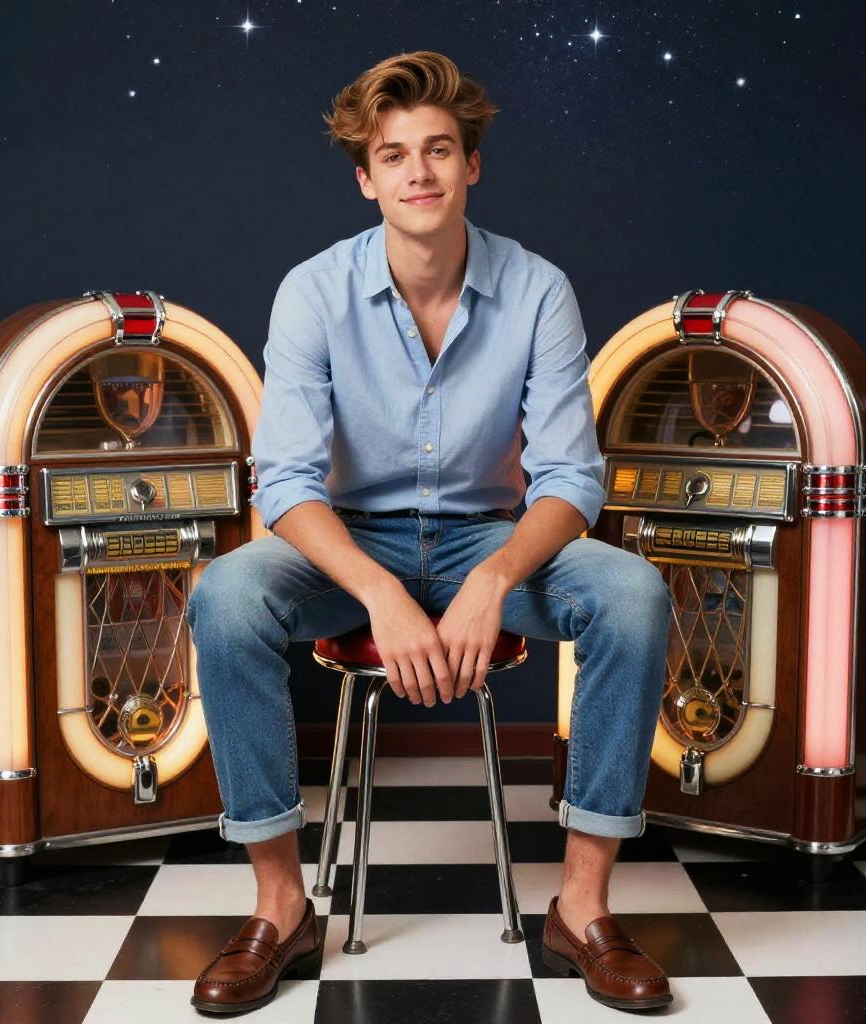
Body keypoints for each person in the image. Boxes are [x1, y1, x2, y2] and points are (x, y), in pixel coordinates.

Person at [187, 50, 672, 1016]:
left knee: (633, 593)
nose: (420, 173)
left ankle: (582, 909)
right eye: (395, 155)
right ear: (366, 179)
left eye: (440, 150)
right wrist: (377, 591)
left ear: (471, 166)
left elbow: (572, 479)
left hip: (491, 536)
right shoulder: (312, 292)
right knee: (226, 595)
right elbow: (284, 482)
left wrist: (492, 580)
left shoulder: (539, 289)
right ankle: (281, 907)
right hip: (347, 542)